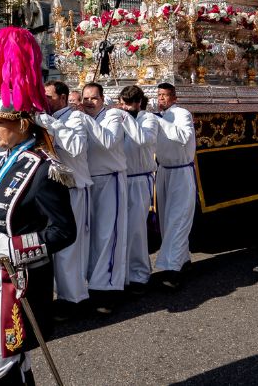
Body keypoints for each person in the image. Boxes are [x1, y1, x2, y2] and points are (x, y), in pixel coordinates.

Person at [0, 26, 76, 384]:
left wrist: (15, 247)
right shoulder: (2, 160)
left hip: (23, 280)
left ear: (23, 124)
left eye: (1, 122)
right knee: (17, 360)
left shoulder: (45, 169)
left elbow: (64, 231)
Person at [37, 80, 92, 316]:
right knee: (54, 247)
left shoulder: (75, 118)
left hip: (74, 188)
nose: (45, 100)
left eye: (49, 96)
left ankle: (74, 298)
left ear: (62, 97)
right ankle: (61, 294)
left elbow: (77, 147)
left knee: (71, 247)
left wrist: (52, 124)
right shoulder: (47, 119)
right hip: (54, 190)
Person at [78, 81, 129, 313]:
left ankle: (108, 289)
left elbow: (108, 141)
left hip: (111, 179)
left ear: (102, 99)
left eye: (93, 98)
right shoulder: (83, 119)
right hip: (90, 181)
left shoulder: (113, 116)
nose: (89, 102)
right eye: (85, 98)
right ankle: (94, 284)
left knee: (109, 235)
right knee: (94, 236)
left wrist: (84, 119)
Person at [151, 82, 197, 289]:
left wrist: (159, 121)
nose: (161, 98)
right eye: (159, 95)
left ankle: (172, 269)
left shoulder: (182, 114)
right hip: (163, 171)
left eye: (165, 95)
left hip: (180, 171)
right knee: (166, 219)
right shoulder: (157, 116)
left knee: (177, 219)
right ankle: (183, 259)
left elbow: (183, 136)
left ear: (174, 98)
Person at [116, 86, 158, 295]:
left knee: (136, 229)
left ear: (139, 103)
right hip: (120, 178)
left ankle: (140, 274)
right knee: (120, 230)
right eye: (122, 103)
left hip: (140, 178)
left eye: (128, 104)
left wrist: (125, 118)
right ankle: (122, 276)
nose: (124, 107)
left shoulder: (148, 119)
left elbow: (142, 139)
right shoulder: (122, 117)